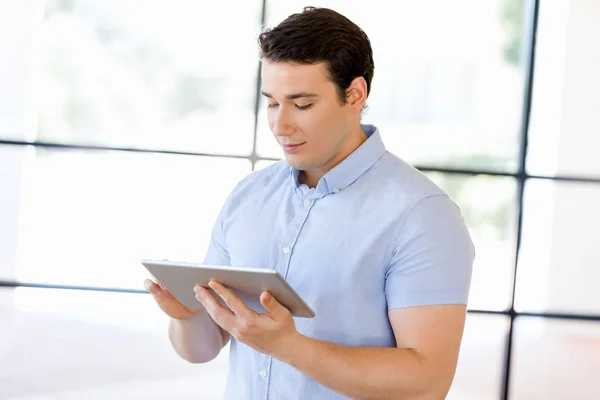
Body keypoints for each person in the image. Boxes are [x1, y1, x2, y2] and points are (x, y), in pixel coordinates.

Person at [144, 6, 474, 400]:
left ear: (354, 94)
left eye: (301, 105)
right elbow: (201, 348)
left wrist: (288, 346)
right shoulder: (249, 196)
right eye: (271, 103)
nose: (280, 125)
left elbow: (428, 382)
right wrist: (187, 316)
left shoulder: (423, 215)